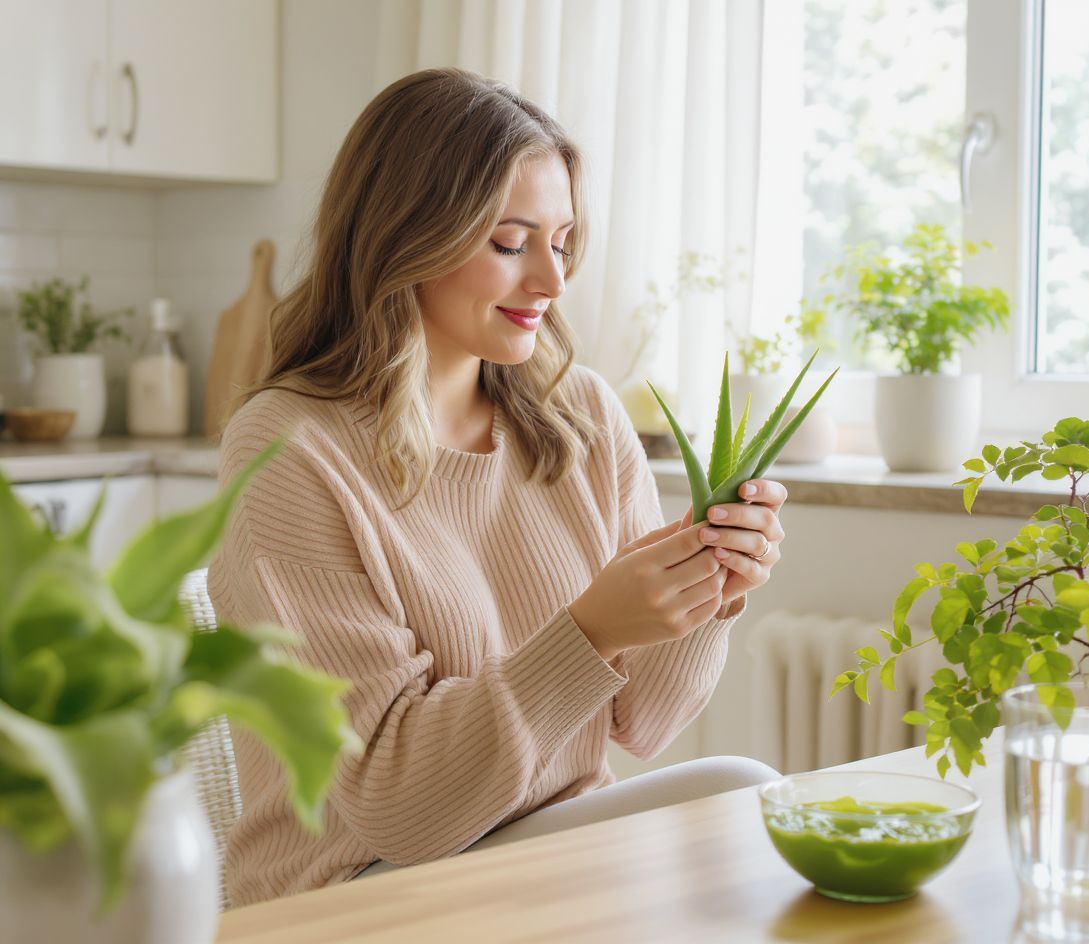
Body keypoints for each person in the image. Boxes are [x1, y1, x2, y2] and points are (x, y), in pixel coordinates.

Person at [208, 67, 786, 909]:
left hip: (547, 855)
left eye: (562, 243)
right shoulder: (291, 451)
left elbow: (646, 722)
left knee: (743, 790)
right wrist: (591, 631)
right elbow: (398, 809)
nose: (550, 284)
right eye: (511, 244)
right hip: (352, 893)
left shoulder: (578, 416)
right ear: (407, 236)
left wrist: (712, 581)